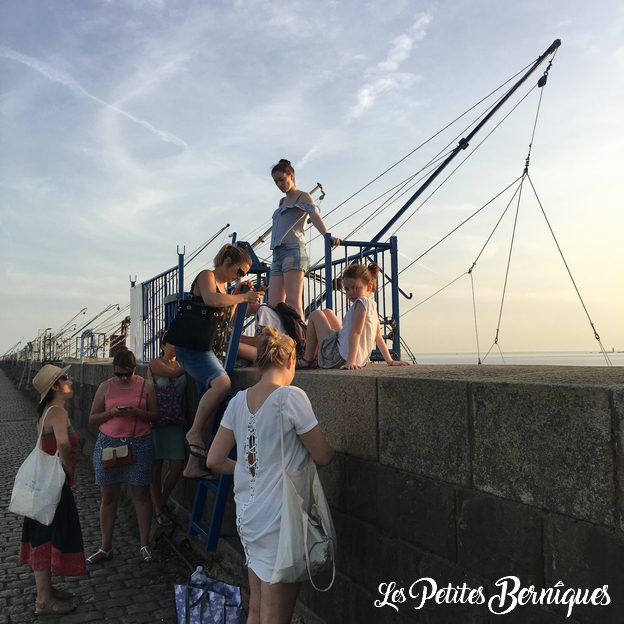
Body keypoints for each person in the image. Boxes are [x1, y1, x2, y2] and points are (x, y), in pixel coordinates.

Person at [207, 327, 333, 624]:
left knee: (257, 608)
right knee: (276, 617)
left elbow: (213, 459)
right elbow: (323, 455)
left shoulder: (238, 401)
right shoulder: (290, 397)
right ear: (290, 360)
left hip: (249, 518)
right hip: (281, 522)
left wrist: (247, 468)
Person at [172, 243, 264, 478]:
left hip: (206, 348)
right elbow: (211, 300)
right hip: (191, 347)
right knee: (222, 384)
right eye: (240, 271)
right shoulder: (207, 276)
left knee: (209, 407)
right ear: (226, 262)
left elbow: (227, 319)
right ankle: (193, 433)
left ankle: (194, 465)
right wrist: (242, 295)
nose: (239, 276)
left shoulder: (225, 287)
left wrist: (238, 296)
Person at [19, 364, 86, 615]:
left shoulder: (48, 410)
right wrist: (69, 469)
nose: (71, 381)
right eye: (66, 378)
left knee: (42, 534)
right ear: (56, 386)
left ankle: (46, 591)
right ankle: (43, 601)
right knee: (45, 536)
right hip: (53, 484)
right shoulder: (57, 411)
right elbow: (63, 443)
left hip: (43, 485)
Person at [88, 348, 158, 563]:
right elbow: (93, 418)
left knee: (141, 494)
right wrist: (112, 413)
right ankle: (105, 547)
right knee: (108, 497)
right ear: (114, 371)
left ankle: (144, 544)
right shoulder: (105, 387)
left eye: (128, 374)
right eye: (119, 374)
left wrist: (137, 413)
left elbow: (155, 415)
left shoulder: (146, 386)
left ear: (135, 369)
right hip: (109, 444)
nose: (124, 378)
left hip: (139, 443)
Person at [299, 263, 411, 369]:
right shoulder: (372, 305)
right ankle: (314, 357)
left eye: (355, 288)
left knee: (315, 314)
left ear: (369, 286)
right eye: (347, 289)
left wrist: (350, 361)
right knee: (328, 312)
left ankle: (308, 359)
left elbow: (356, 332)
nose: (351, 292)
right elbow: (378, 336)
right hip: (351, 357)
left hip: (338, 357)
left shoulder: (361, 302)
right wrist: (390, 361)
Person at [269, 158, 341, 320]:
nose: (279, 184)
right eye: (276, 181)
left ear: (291, 176)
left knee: (293, 302)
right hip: (277, 254)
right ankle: (281, 341)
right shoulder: (282, 201)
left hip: (293, 250)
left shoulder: (303, 196)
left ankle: (301, 342)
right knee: (273, 304)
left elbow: (315, 217)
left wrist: (327, 236)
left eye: (281, 179)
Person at [148, 332, 187, 527]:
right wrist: (191, 362)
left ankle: (162, 501)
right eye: (171, 343)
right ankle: (158, 508)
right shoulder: (155, 364)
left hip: (175, 420)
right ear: (162, 345)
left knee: (177, 465)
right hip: (157, 420)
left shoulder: (181, 365)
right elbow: (172, 375)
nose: (175, 347)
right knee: (156, 466)